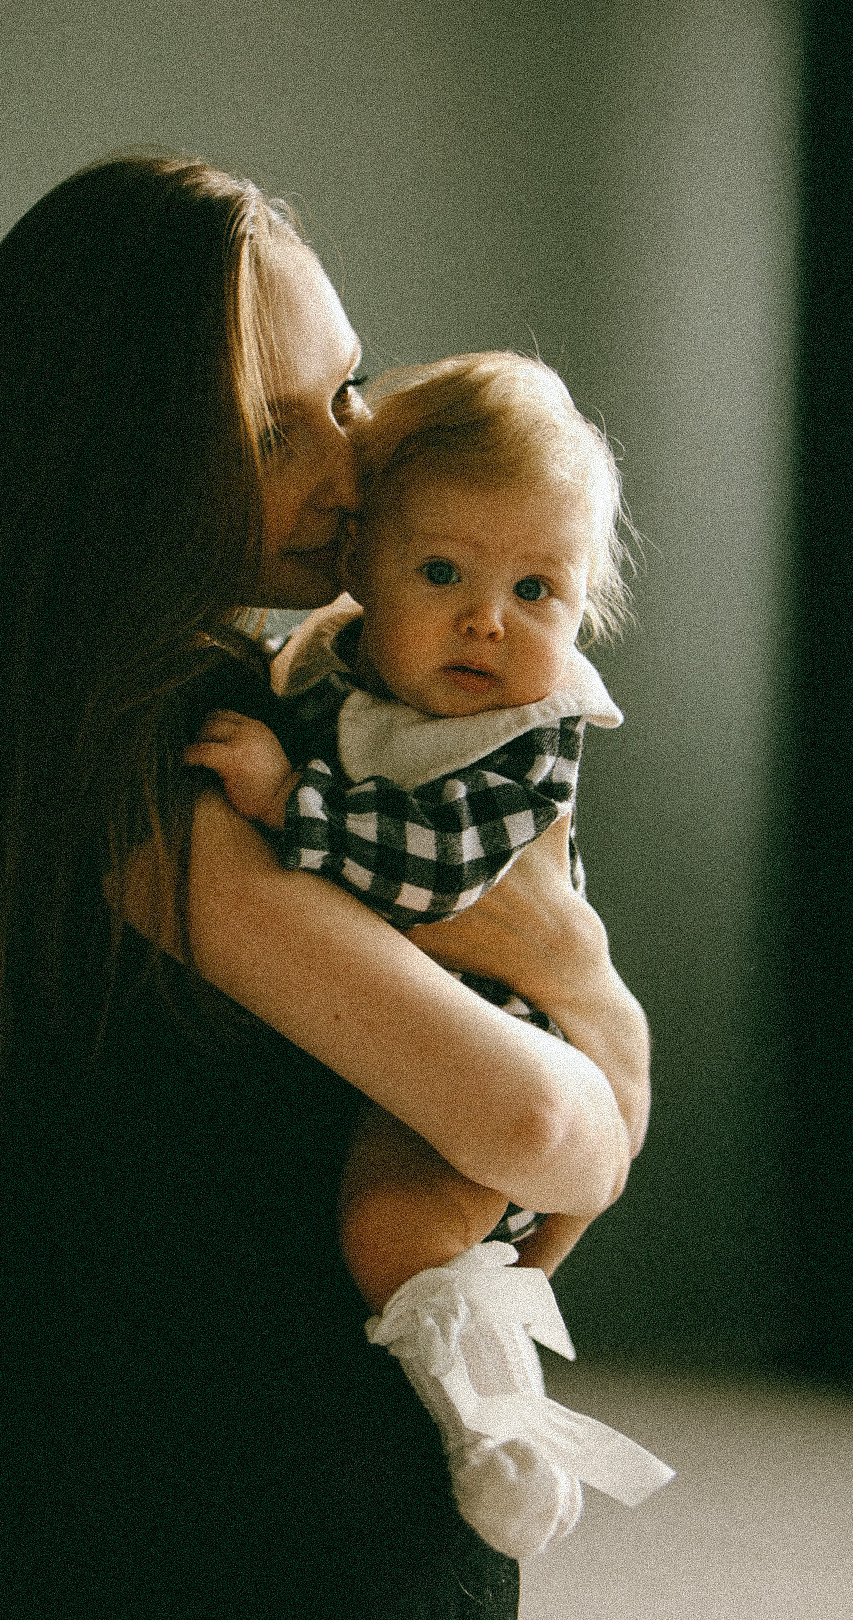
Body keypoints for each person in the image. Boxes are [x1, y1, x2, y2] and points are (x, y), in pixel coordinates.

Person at [0, 157, 648, 1620]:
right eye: (267, 424)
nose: (351, 459)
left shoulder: (187, 708)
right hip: (248, 1520)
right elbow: (538, 1126)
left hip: (147, 1490)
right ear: (118, 455)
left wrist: (585, 988)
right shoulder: (150, 755)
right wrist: (594, 1028)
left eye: (348, 389)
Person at [186, 352, 672, 1559]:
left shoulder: (521, 737)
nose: (486, 619)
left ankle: (495, 1432)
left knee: (394, 1233)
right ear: (361, 570)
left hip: (502, 1024)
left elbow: (438, 870)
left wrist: (290, 800)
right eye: (443, 572)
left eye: (538, 590)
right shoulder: (328, 671)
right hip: (385, 1029)